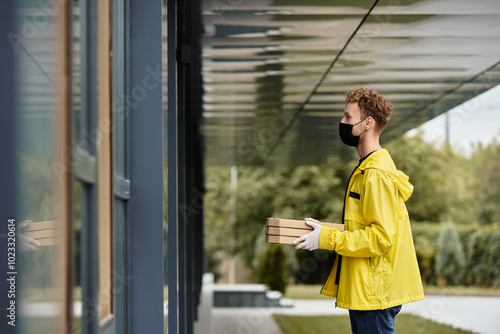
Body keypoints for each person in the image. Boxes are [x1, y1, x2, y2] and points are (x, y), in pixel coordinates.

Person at [294, 86, 424, 334]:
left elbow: (380, 238)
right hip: (368, 291)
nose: (342, 122)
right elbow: (364, 228)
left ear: (368, 123)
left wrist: (326, 238)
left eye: (347, 117)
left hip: (374, 294)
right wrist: (324, 230)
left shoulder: (375, 175)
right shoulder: (367, 169)